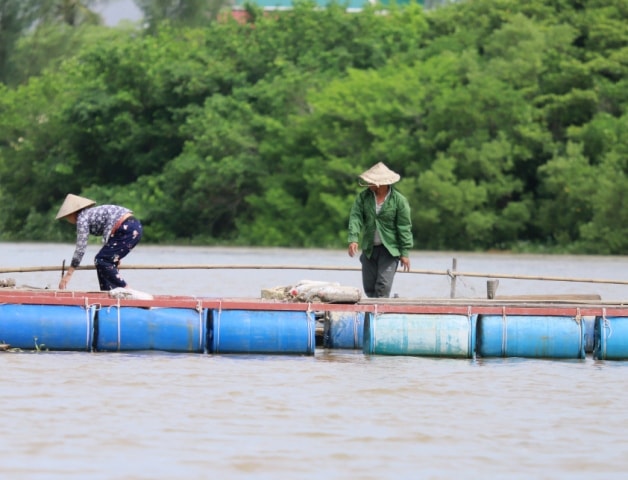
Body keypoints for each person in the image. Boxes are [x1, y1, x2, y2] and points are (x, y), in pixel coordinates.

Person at [347, 162, 413, 298]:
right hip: (370, 248)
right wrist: (353, 239)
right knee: (369, 286)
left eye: (370, 182)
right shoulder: (363, 197)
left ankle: (380, 312)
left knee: (383, 286)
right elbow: (356, 217)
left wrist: (404, 252)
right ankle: (371, 315)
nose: (368, 184)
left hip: (389, 249)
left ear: (380, 184)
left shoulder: (399, 201)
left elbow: (404, 227)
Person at [56, 194, 143, 291]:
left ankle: (127, 290)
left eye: (67, 217)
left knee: (101, 260)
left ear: (72, 214)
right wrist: (116, 256)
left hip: (127, 228)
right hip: (133, 226)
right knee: (103, 263)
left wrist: (68, 274)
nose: (68, 220)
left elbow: (80, 248)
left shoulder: (82, 219)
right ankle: (108, 293)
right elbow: (110, 229)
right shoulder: (89, 214)